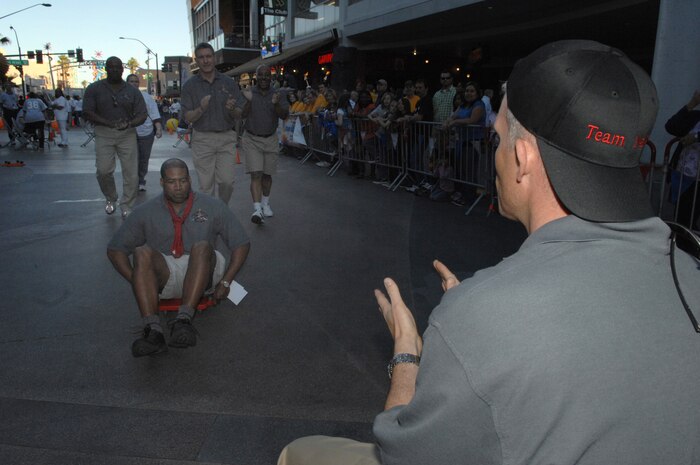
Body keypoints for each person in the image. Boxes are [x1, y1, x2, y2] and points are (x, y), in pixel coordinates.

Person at [278, 40, 700, 465]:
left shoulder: (481, 314)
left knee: (301, 453)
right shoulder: (689, 274)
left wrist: (411, 353)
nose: (493, 153)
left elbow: (401, 454)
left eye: (496, 138)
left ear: (522, 156)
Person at [107, 158, 250, 357]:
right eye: (172, 181)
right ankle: (153, 333)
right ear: (162, 182)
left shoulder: (212, 206)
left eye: (183, 181)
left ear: (190, 180)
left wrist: (226, 282)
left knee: (201, 246)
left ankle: (183, 322)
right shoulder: (145, 211)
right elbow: (115, 249)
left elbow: (241, 243)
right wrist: (138, 281)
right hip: (167, 275)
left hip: (204, 269)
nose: (178, 187)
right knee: (141, 252)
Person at [82, 56, 148, 218]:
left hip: (127, 133)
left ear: (122, 69)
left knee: (131, 173)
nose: (114, 70)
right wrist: (107, 122)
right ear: (105, 68)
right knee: (103, 170)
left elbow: (142, 114)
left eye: (117, 67)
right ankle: (111, 197)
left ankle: (127, 204)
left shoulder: (132, 91)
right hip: (103, 132)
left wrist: (130, 123)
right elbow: (87, 111)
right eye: (110, 67)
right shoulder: (94, 88)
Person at [181, 42, 244, 205]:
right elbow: (188, 117)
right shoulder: (190, 86)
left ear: (214, 58)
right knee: (206, 186)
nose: (206, 60)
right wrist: (201, 108)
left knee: (227, 182)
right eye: (201, 57)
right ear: (197, 61)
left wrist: (232, 110)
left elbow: (239, 113)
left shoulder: (229, 82)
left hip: (226, 138)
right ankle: (209, 216)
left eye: (208, 56)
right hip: (202, 139)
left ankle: (221, 209)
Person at [239, 64, 290, 224]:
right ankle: (257, 209)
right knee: (256, 174)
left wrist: (275, 104)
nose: (264, 78)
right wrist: (248, 101)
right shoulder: (248, 92)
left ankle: (266, 204)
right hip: (252, 138)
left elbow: (285, 115)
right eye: (260, 75)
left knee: (267, 175)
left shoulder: (278, 93)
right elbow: (242, 115)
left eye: (267, 75)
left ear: (271, 77)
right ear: (256, 76)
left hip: (270, 138)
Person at [665, 90, 700, 230]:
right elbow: (671, 126)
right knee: (681, 218)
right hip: (684, 176)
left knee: (692, 217)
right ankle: (680, 246)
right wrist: (692, 104)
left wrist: (696, 137)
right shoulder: (696, 117)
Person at [126, 73, 164, 192]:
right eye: (131, 81)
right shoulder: (123, 96)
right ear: (127, 83)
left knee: (143, 158)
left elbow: (154, 113)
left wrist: (158, 128)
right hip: (129, 132)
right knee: (132, 158)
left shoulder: (146, 97)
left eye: (136, 81)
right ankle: (132, 182)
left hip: (146, 132)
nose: (134, 83)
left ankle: (141, 180)